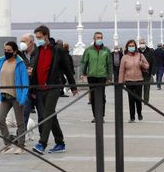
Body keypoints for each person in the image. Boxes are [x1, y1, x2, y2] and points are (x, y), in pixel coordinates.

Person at [31, 25, 78, 155]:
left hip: (54, 86)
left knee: (47, 114)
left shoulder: (58, 50)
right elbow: (35, 71)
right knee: (51, 115)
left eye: (39, 37)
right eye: (36, 37)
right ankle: (60, 143)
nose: (38, 39)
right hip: (40, 88)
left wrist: (73, 86)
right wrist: (33, 90)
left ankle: (42, 143)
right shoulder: (38, 50)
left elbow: (68, 69)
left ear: (46, 36)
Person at [0, 41, 29, 154]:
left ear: (15, 51)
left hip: (16, 96)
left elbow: (25, 82)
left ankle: (21, 145)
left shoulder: (20, 64)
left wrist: (23, 98)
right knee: (0, 119)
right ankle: (7, 143)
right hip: (4, 95)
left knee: (20, 122)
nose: (6, 52)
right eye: (5, 50)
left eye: (9, 50)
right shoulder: (0, 61)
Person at [80, 32, 113, 123]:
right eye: (98, 37)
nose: (100, 39)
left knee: (102, 96)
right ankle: (95, 116)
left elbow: (109, 64)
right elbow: (84, 62)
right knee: (93, 97)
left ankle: (101, 116)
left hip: (102, 76)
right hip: (92, 76)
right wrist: (82, 73)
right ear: (94, 39)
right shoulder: (88, 50)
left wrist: (109, 76)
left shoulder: (106, 50)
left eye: (101, 37)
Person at [19, 33, 43, 140]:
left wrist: (33, 72)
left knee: (42, 115)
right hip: (25, 89)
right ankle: (20, 137)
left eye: (24, 41)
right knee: (23, 115)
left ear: (31, 42)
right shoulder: (19, 55)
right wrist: (25, 72)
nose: (22, 43)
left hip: (39, 88)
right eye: (21, 41)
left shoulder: (40, 53)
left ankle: (43, 137)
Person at [119, 39, 149, 123]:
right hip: (129, 81)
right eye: (130, 46)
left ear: (135, 47)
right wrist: (120, 83)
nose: (131, 47)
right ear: (127, 47)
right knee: (131, 99)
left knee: (138, 98)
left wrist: (141, 64)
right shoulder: (124, 57)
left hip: (139, 80)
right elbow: (121, 70)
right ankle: (132, 117)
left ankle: (139, 113)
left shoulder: (140, 55)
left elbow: (147, 66)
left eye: (133, 46)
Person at [138, 38, 154, 103]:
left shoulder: (150, 51)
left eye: (143, 43)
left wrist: (153, 71)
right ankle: (139, 99)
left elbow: (153, 61)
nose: (142, 44)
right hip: (139, 73)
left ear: (145, 43)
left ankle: (146, 100)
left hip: (147, 73)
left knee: (146, 87)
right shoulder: (137, 51)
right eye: (141, 43)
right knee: (139, 87)